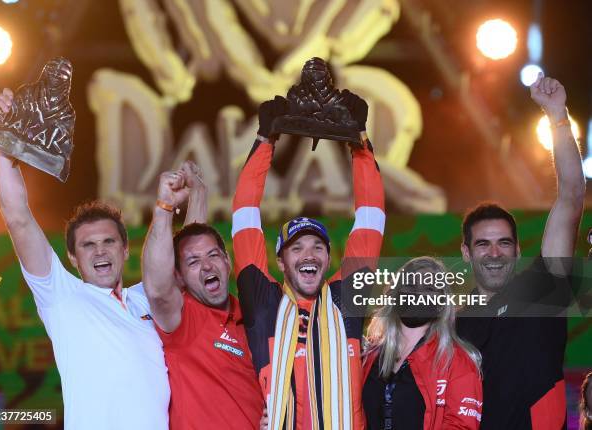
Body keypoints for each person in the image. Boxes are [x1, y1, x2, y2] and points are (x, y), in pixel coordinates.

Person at [0, 89, 170, 430]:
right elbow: (18, 218)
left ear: (125, 249)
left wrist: (183, 201)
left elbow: (191, 253)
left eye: (108, 242)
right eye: (88, 245)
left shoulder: (151, 298)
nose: (100, 250)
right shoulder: (62, 295)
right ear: (71, 257)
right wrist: (1, 147)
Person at [232, 91, 385, 429]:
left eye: (318, 246)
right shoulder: (263, 302)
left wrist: (359, 142)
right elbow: (245, 217)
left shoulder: (347, 296)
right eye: (297, 248)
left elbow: (371, 218)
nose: (309, 254)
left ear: (329, 259)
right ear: (281, 262)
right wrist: (265, 140)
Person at [456, 74, 586, 429]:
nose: (494, 253)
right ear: (466, 253)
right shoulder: (447, 324)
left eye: (504, 243)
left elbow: (572, 198)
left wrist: (557, 117)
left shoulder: (542, 290)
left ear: (516, 250)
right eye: (483, 243)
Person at [142, 162, 264, 429]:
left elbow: (193, 241)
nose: (207, 266)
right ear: (180, 278)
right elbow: (156, 289)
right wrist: (164, 207)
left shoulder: (254, 319)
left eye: (213, 256)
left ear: (227, 261)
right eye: (194, 263)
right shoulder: (185, 319)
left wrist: (199, 194)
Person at [362, 257, 483, 429]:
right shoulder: (367, 357)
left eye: (429, 288)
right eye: (410, 285)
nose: (418, 294)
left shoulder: (458, 362)